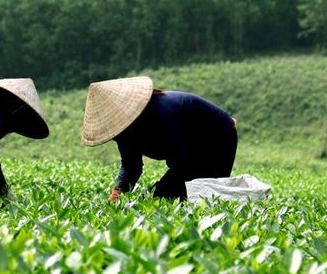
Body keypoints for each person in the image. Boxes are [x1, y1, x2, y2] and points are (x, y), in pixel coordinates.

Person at [80, 76, 238, 201]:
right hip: (190, 151)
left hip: (217, 139)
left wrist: (163, 189)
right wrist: (118, 192)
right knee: (161, 197)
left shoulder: (161, 113)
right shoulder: (124, 131)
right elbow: (132, 165)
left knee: (205, 194)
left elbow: (182, 163)